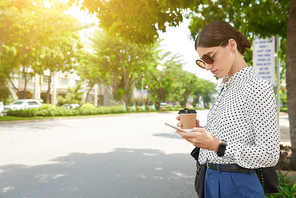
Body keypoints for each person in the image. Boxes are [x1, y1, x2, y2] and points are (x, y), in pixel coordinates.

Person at [176, 21, 280, 198]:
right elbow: (225, 137)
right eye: (203, 62)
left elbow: (269, 154)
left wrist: (217, 145)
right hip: (210, 178)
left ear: (232, 45)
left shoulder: (257, 87)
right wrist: (201, 134)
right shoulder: (224, 87)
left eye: (210, 57)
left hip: (238, 182)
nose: (208, 66)